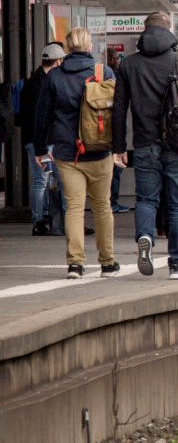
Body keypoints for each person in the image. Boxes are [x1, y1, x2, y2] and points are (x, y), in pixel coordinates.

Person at [112, 12, 178, 280]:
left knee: (146, 199)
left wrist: (118, 148)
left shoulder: (128, 64)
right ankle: (177, 266)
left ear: (144, 30)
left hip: (144, 144)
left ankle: (145, 238)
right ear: (169, 31)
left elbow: (119, 109)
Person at [33, 27, 117, 279]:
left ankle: (75, 264)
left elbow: (42, 116)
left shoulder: (55, 76)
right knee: (102, 207)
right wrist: (120, 148)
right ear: (90, 47)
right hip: (100, 151)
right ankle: (107, 262)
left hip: (67, 153)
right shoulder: (104, 73)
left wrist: (39, 149)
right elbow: (117, 113)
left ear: (67, 49)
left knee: (74, 208)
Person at [20, 43, 65, 236]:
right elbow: (40, 115)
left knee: (47, 179)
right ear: (57, 62)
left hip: (40, 141)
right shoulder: (43, 83)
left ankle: (45, 217)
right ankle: (38, 221)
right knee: (42, 180)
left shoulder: (34, 81)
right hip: (42, 143)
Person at [105, 47, 132, 214]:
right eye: (113, 58)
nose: (116, 61)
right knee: (114, 166)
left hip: (117, 125)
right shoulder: (109, 76)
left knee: (117, 167)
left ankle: (112, 199)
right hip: (110, 126)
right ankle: (111, 200)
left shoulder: (119, 74)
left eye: (117, 58)